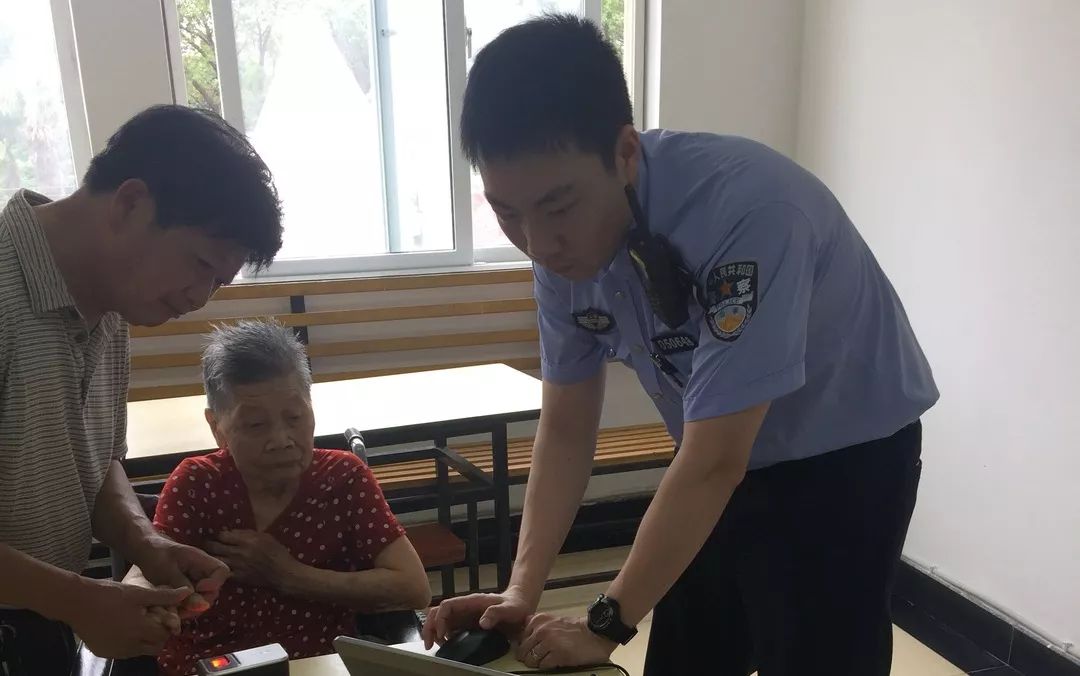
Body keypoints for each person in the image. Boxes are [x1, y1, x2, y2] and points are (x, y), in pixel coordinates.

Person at [422, 15, 939, 676]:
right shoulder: (556, 245)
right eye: (506, 212)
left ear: (625, 153)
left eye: (558, 207)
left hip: (844, 454)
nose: (538, 244)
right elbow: (568, 426)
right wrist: (521, 592)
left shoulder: (751, 213)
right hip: (711, 449)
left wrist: (604, 623)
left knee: (815, 653)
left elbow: (717, 460)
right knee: (687, 654)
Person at [0, 105, 284, 675]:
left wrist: (145, 543)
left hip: (36, 626)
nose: (199, 297)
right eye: (199, 264)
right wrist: (78, 600)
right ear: (130, 203)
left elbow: (95, 460)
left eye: (217, 282)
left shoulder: (110, 307)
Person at [124, 321, 431, 675]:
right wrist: (145, 602)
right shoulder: (197, 483)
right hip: (209, 667)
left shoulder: (343, 478)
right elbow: (148, 569)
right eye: (256, 425)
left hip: (316, 664)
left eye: (295, 417)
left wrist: (288, 574)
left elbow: (414, 588)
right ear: (216, 426)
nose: (282, 440)